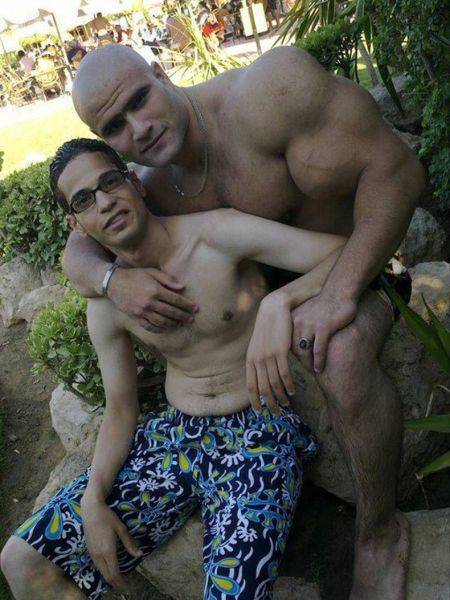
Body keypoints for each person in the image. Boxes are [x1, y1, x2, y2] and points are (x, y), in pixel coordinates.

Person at [40, 44, 426, 598]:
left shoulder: (270, 96)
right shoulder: (143, 183)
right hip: (260, 330)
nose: (138, 129)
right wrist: (110, 281)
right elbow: (78, 245)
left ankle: (379, 532)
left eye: (140, 100)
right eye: (115, 127)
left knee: (335, 354)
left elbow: (399, 172)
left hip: (357, 263)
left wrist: (313, 297)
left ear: (161, 71)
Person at [1, 137, 346, 599]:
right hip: (174, 438)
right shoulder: (106, 305)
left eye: (110, 182)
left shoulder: (216, 236)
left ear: (135, 183)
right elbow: (120, 408)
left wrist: (279, 302)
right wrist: (93, 497)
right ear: (76, 225)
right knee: (21, 560)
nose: (105, 202)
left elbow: (342, 253)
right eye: (84, 200)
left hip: (260, 431)